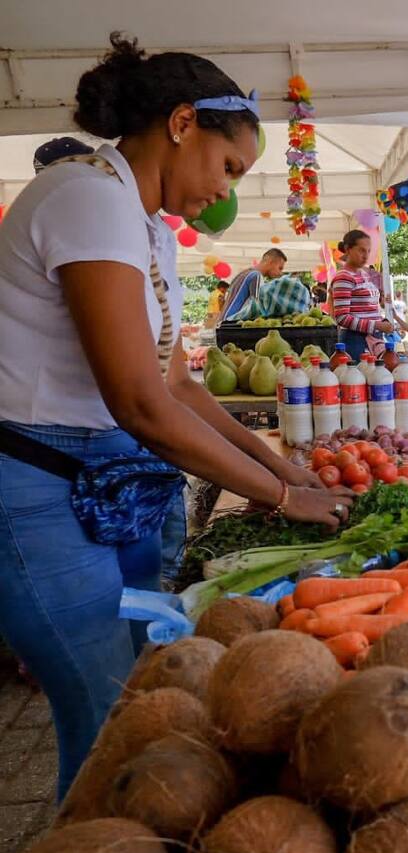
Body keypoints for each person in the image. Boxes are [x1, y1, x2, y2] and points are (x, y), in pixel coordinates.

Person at [0, 35, 354, 799]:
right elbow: (137, 401)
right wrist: (285, 499)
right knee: (109, 725)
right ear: (184, 123)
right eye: (228, 169)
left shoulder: (146, 224)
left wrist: (282, 467)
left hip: (108, 485)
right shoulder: (86, 196)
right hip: (38, 490)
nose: (223, 194)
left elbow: (181, 386)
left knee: (144, 699)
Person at [331, 229, 394, 360]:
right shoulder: (344, 277)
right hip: (355, 341)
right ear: (348, 249)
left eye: (368, 251)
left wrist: (382, 320)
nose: (365, 255)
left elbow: (366, 310)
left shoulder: (364, 275)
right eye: (361, 250)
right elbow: (342, 317)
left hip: (373, 339)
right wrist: (377, 325)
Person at [220, 247, 287, 321]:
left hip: (223, 322)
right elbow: (257, 309)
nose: (281, 273)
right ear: (270, 262)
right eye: (280, 268)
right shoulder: (256, 276)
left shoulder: (244, 273)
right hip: (232, 325)